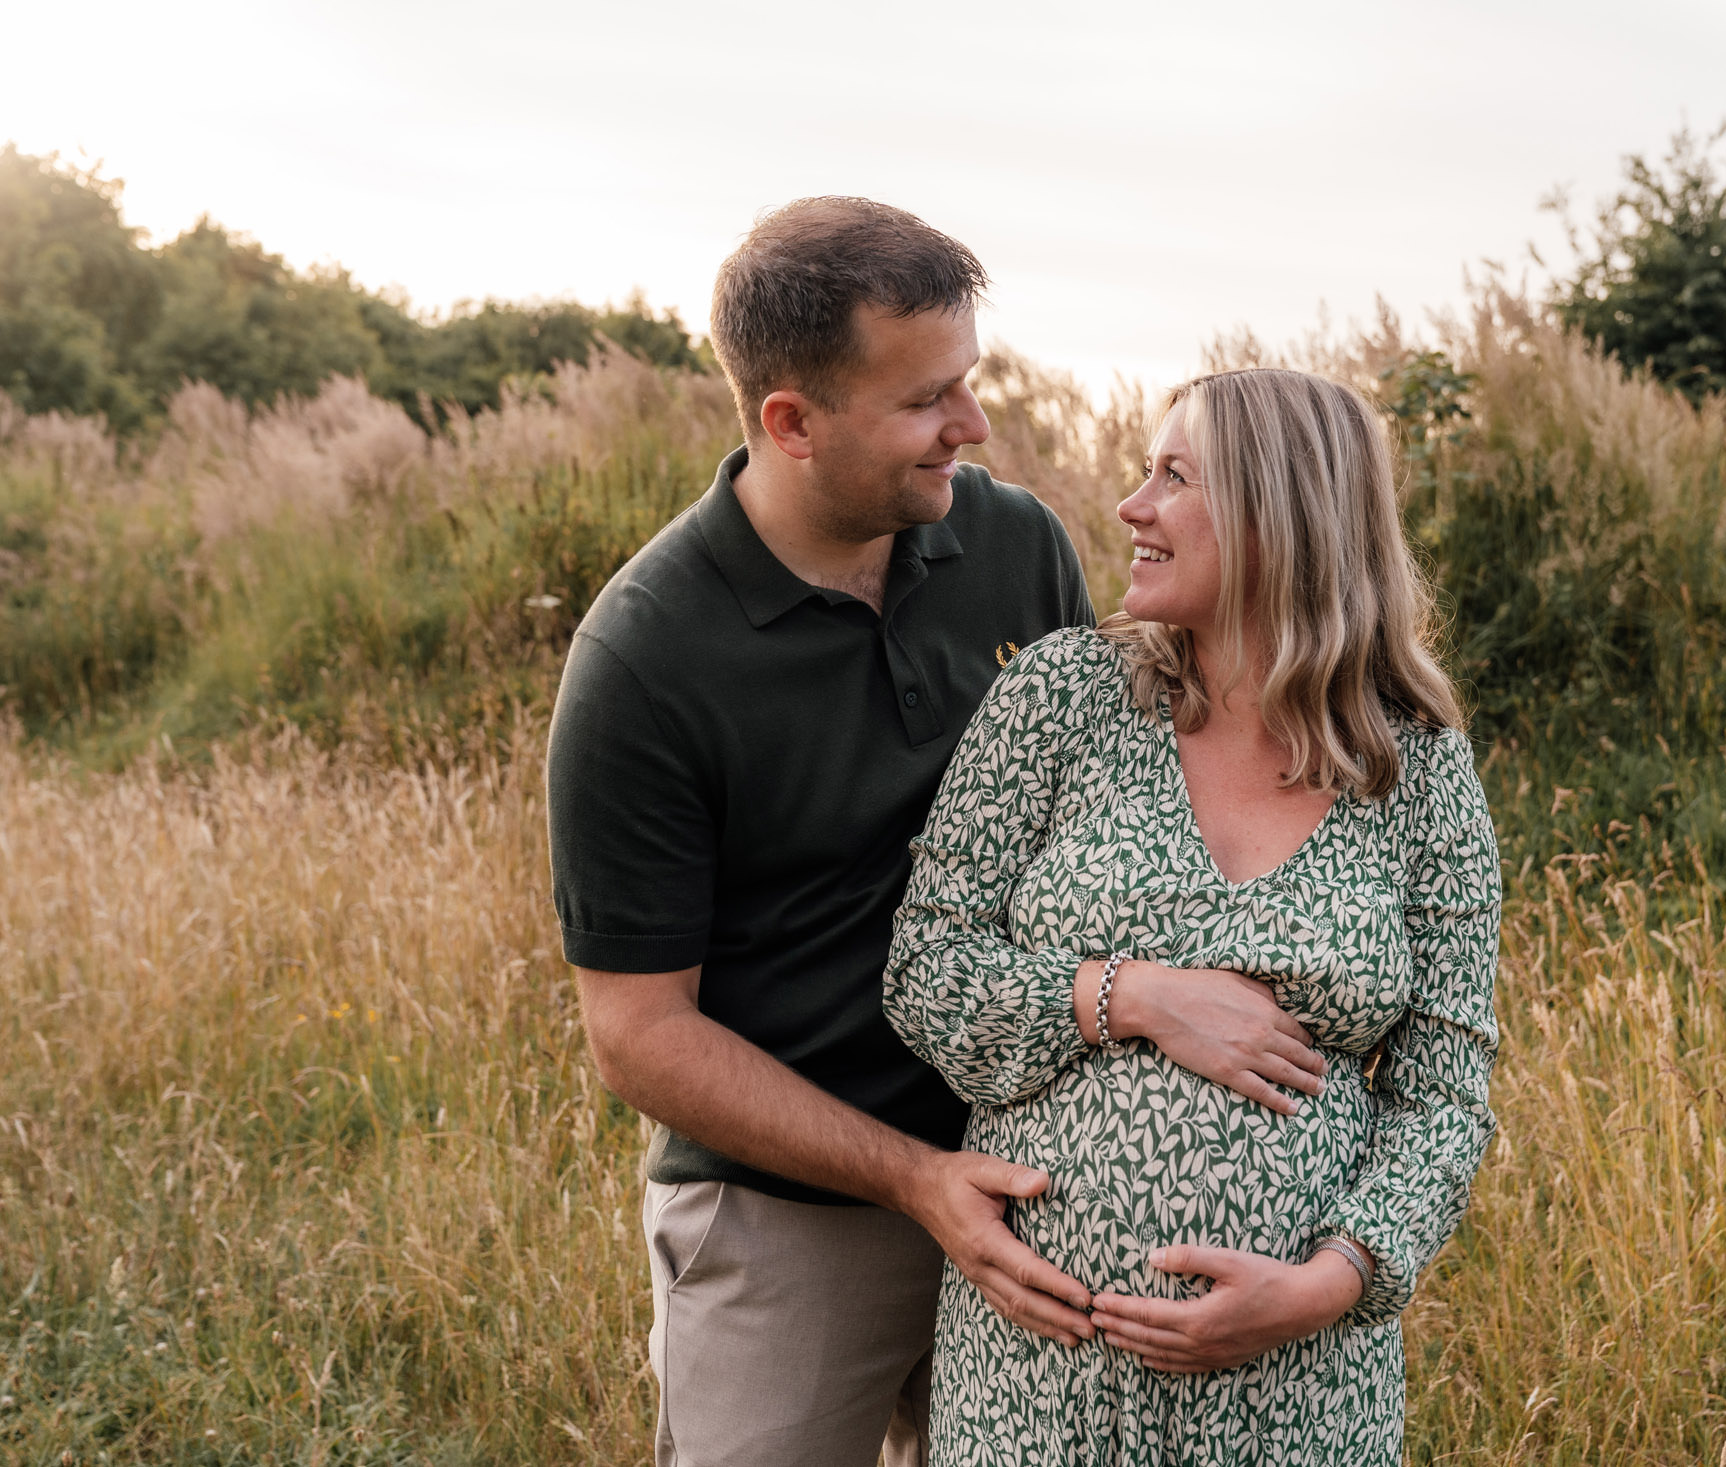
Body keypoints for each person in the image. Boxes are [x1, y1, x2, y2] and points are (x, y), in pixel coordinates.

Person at [546, 197, 1099, 1467]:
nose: (972, 426)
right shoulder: (643, 658)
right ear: (789, 423)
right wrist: (911, 1178)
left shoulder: (1016, 547)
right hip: (787, 1222)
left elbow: (1100, 835)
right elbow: (638, 1035)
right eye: (925, 402)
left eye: (969, 383)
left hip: (1036, 1178)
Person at [884, 367, 1502, 1464]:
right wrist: (1129, 997)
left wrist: (1326, 1285)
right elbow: (927, 968)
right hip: (1039, 1370)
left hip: (1296, 1389)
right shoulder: (1062, 699)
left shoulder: (1415, 765)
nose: (1133, 506)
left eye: (1174, 477)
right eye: (1143, 471)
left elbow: (1445, 1091)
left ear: (1281, 514)